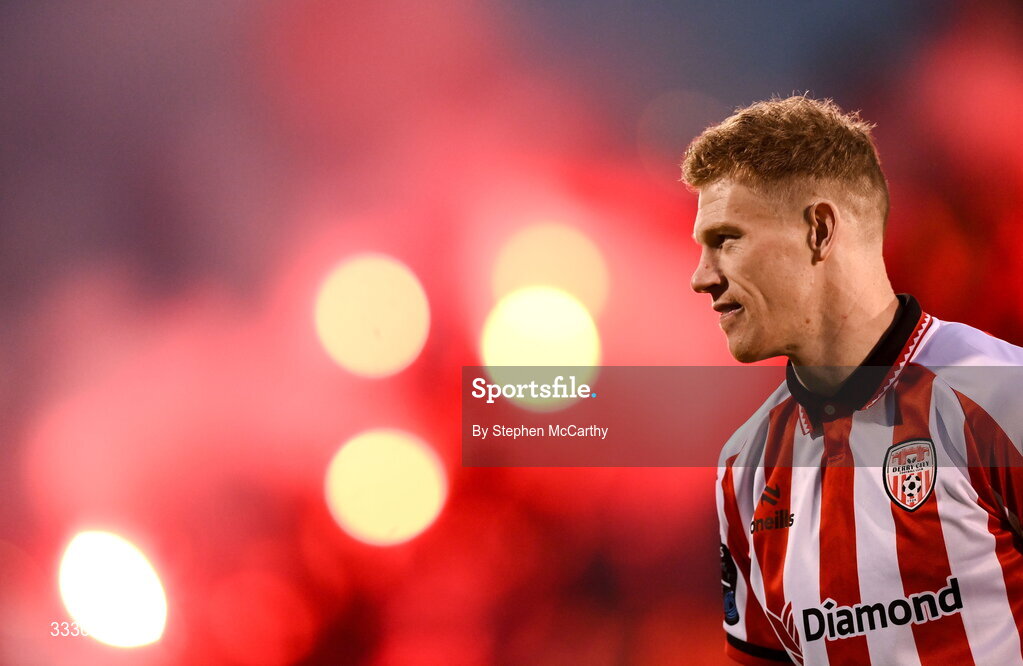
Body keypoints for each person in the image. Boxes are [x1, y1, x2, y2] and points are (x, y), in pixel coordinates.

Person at [682, 96, 1023, 665]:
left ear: (819, 229)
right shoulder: (744, 466)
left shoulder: (1001, 396)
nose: (701, 277)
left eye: (726, 239)